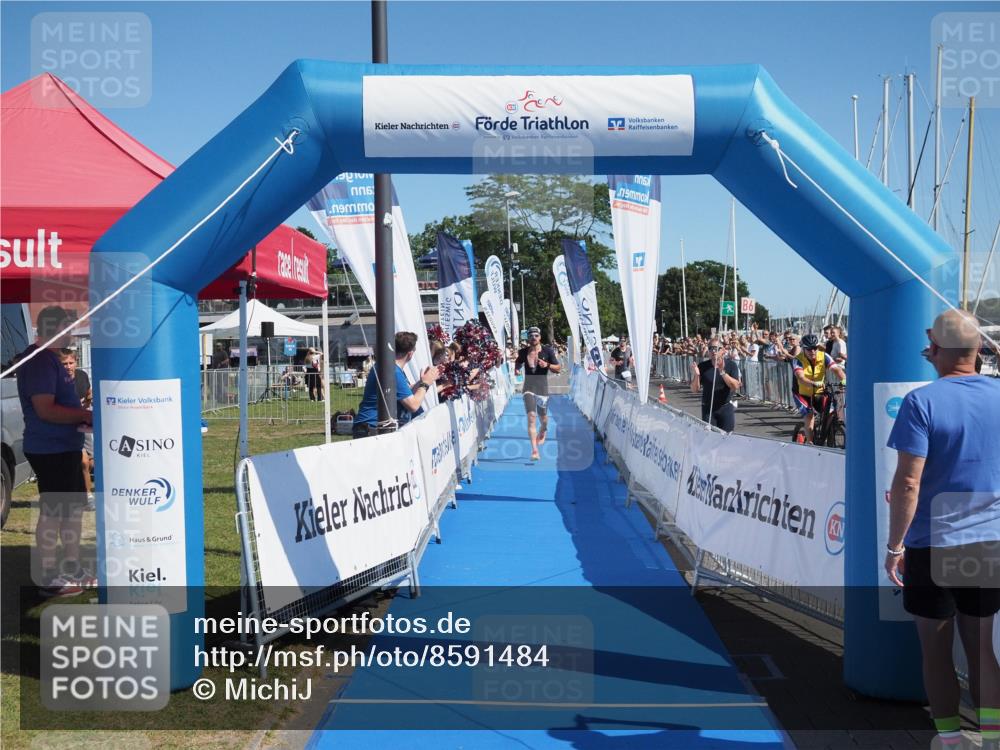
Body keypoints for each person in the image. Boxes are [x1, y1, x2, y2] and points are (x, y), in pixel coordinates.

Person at [885, 310, 1000, 750]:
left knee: (936, 650)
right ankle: (991, 739)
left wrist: (894, 546)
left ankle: (950, 739)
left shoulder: (922, 401)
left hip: (933, 541)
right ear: (979, 350)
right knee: (982, 647)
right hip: (986, 540)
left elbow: (908, 483)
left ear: (934, 350)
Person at [16, 306, 95, 597]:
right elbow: (45, 409)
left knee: (72, 511)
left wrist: (81, 415)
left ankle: (72, 567)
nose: (72, 334)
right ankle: (49, 576)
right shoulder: (39, 362)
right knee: (53, 512)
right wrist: (84, 417)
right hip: (50, 450)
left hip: (65, 447)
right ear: (56, 328)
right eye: (69, 328)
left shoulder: (50, 359)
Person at [352, 332, 437, 438]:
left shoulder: (390, 367)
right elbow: (413, 405)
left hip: (370, 427)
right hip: (371, 429)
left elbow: (405, 392)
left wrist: (422, 381)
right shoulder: (394, 371)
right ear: (410, 354)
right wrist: (425, 383)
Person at [514, 327, 561, 461]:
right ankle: (534, 451)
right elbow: (518, 362)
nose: (533, 337)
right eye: (531, 335)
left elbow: (558, 368)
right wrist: (516, 370)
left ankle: (544, 429)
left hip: (542, 388)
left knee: (543, 419)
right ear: (528, 338)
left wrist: (546, 365)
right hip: (528, 387)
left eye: (536, 335)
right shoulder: (523, 352)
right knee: (531, 417)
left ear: (540, 337)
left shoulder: (548, 351)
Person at [791, 333, 846, 444]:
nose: (813, 351)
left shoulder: (824, 356)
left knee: (830, 412)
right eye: (809, 349)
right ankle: (810, 443)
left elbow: (837, 370)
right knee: (809, 415)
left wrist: (844, 381)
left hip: (819, 392)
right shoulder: (797, 360)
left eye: (815, 348)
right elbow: (801, 377)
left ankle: (828, 435)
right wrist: (813, 383)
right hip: (802, 393)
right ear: (804, 349)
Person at [59, 349, 95, 507]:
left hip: (84, 420)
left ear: (76, 363)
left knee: (92, 462)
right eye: (64, 364)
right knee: (84, 462)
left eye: (70, 363)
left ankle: (76, 491)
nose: (68, 366)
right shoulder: (56, 380)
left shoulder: (82, 376)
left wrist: (88, 400)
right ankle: (87, 496)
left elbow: (88, 393)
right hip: (67, 424)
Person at [689, 337, 742, 432]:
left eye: (717, 348)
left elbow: (735, 386)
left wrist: (722, 372)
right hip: (708, 409)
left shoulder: (731, 365)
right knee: (710, 438)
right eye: (711, 348)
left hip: (725, 408)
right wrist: (696, 375)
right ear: (708, 351)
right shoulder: (702, 366)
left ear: (723, 350)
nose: (713, 351)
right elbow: (694, 390)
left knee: (727, 438)